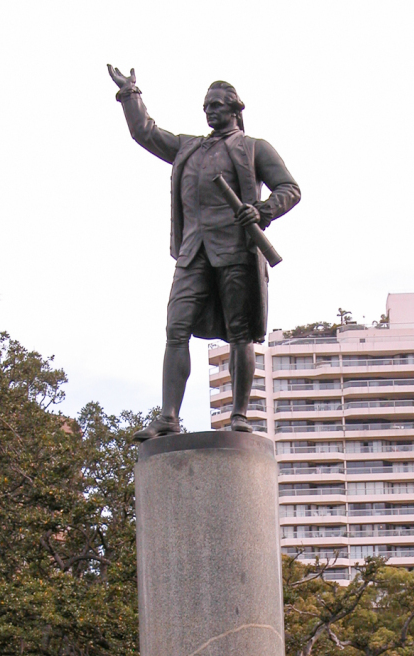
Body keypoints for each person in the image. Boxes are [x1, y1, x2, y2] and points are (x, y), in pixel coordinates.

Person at [107, 66, 301, 440]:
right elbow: (145, 133)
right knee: (175, 329)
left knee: (240, 333)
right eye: (206, 106)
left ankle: (240, 414)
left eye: (217, 106)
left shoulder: (254, 148)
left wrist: (262, 210)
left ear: (234, 110)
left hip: (236, 250)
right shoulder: (189, 148)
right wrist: (131, 95)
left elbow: (289, 188)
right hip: (193, 251)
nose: (210, 112)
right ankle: (169, 416)